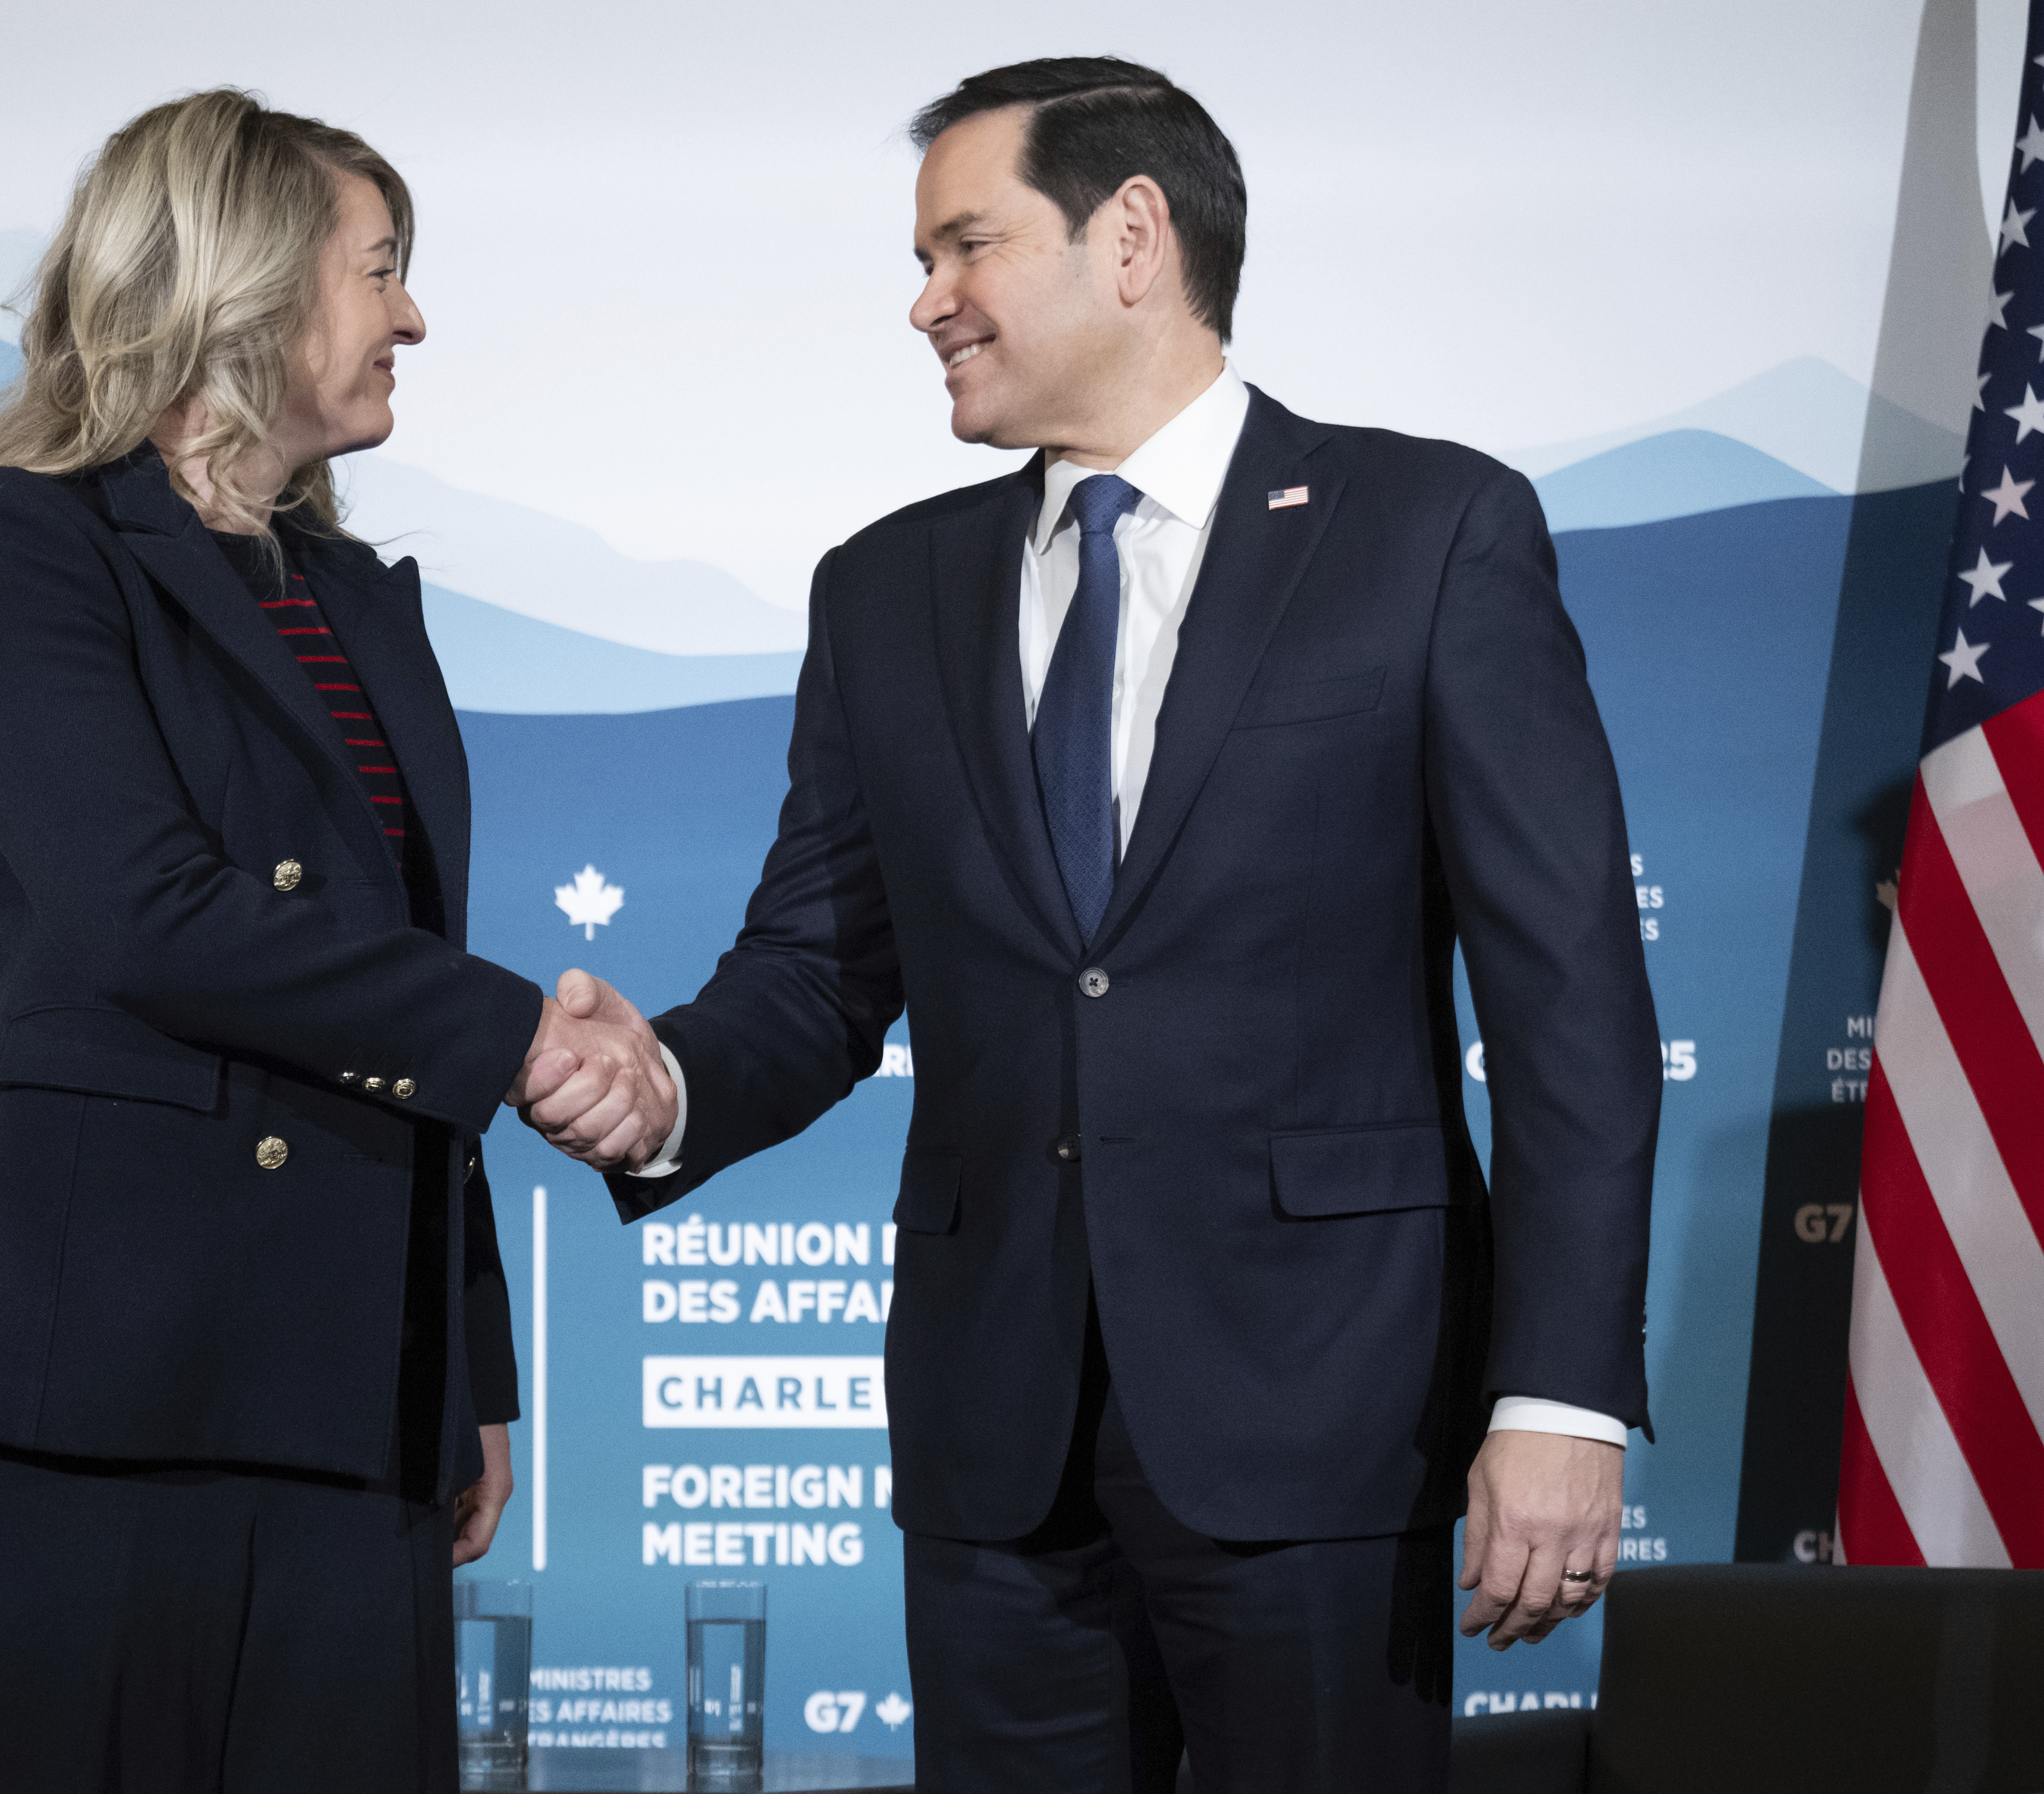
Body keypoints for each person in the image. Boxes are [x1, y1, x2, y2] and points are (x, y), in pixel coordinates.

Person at [522, 56, 1659, 1793]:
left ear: (1132, 238)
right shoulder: (886, 587)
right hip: (998, 1437)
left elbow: (1569, 1000)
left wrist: (1559, 1394)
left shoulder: (1427, 533)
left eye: (964, 245)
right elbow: (821, 967)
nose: (924, 301)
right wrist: (665, 1082)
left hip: (1326, 1418)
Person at [0, 90, 666, 1794]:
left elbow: (385, 971)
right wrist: (528, 1035)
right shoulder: (20, 541)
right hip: (101, 1372)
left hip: (347, 1379)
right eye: (379, 269)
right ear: (239, 284)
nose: (411, 315)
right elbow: (145, 911)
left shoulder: (352, 597)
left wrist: (463, 1357)